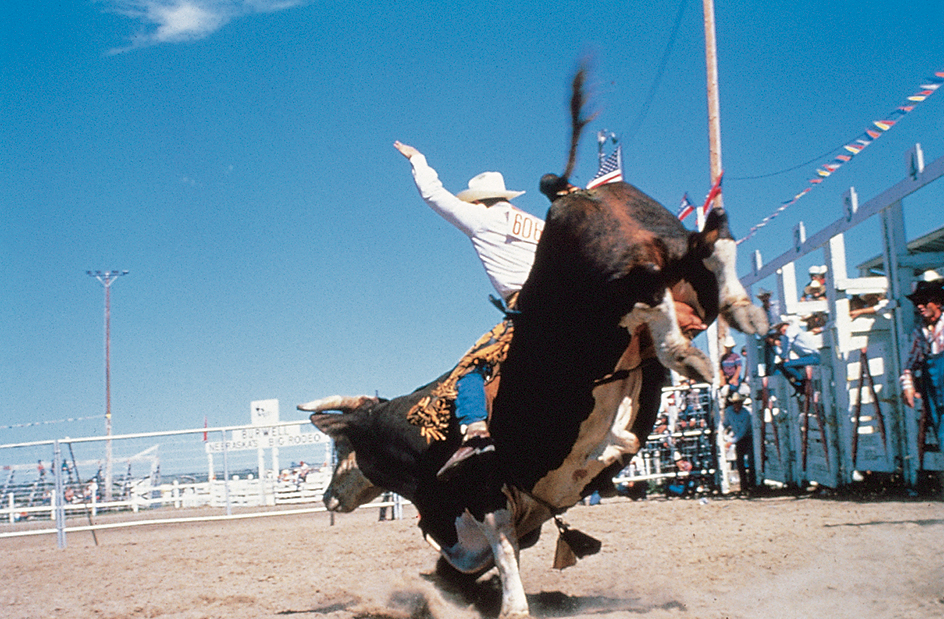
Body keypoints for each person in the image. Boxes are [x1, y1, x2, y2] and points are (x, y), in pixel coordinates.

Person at [394, 141, 542, 479]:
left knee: (470, 368)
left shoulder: (482, 219)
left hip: (527, 306)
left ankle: (476, 431)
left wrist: (418, 159)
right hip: (565, 299)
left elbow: (434, 195)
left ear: (478, 200)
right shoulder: (536, 224)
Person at [899, 272, 944, 453]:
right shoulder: (921, 332)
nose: (920, 306)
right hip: (935, 395)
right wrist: (908, 386)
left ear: (938, 303)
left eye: (924, 302)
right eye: (917, 303)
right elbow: (909, 365)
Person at [769, 316, 821, 394]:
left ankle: (801, 383)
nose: (780, 331)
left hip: (813, 356)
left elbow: (787, 346)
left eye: (780, 328)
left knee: (786, 365)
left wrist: (784, 357)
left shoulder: (791, 330)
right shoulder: (788, 334)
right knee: (780, 366)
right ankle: (797, 385)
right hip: (807, 357)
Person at [723, 392, 755, 492]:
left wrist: (731, 441)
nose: (737, 404)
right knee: (740, 462)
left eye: (739, 402)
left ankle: (752, 483)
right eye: (735, 403)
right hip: (738, 438)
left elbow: (743, 430)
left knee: (751, 461)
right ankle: (744, 485)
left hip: (748, 437)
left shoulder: (746, 413)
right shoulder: (729, 411)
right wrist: (721, 432)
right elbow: (726, 423)